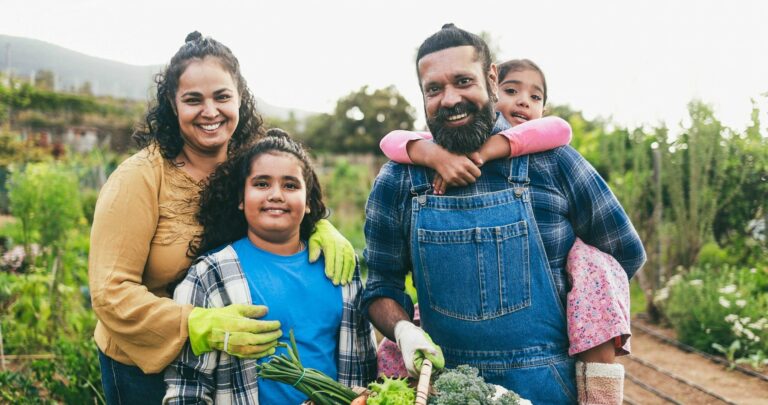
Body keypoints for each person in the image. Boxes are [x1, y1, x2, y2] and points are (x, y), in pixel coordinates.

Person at [362, 24, 646, 404]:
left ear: (491, 79)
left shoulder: (553, 163)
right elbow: (380, 287)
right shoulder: (399, 179)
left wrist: (581, 310)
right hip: (447, 391)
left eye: (463, 81)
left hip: (548, 387)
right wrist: (401, 330)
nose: (449, 99)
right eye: (434, 89)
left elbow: (622, 253)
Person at [88, 32, 355, 404]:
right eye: (193, 99)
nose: (210, 111)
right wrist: (196, 322)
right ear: (172, 103)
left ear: (241, 98)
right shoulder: (138, 179)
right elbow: (109, 292)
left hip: (230, 360)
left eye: (222, 96)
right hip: (143, 364)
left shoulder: (247, 164)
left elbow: (287, 196)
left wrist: (319, 225)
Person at [164, 129, 377, 404]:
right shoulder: (211, 274)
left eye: (290, 185)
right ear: (241, 199)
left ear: (309, 202)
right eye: (262, 184)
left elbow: (364, 365)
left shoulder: (338, 268)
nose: (276, 195)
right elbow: (186, 385)